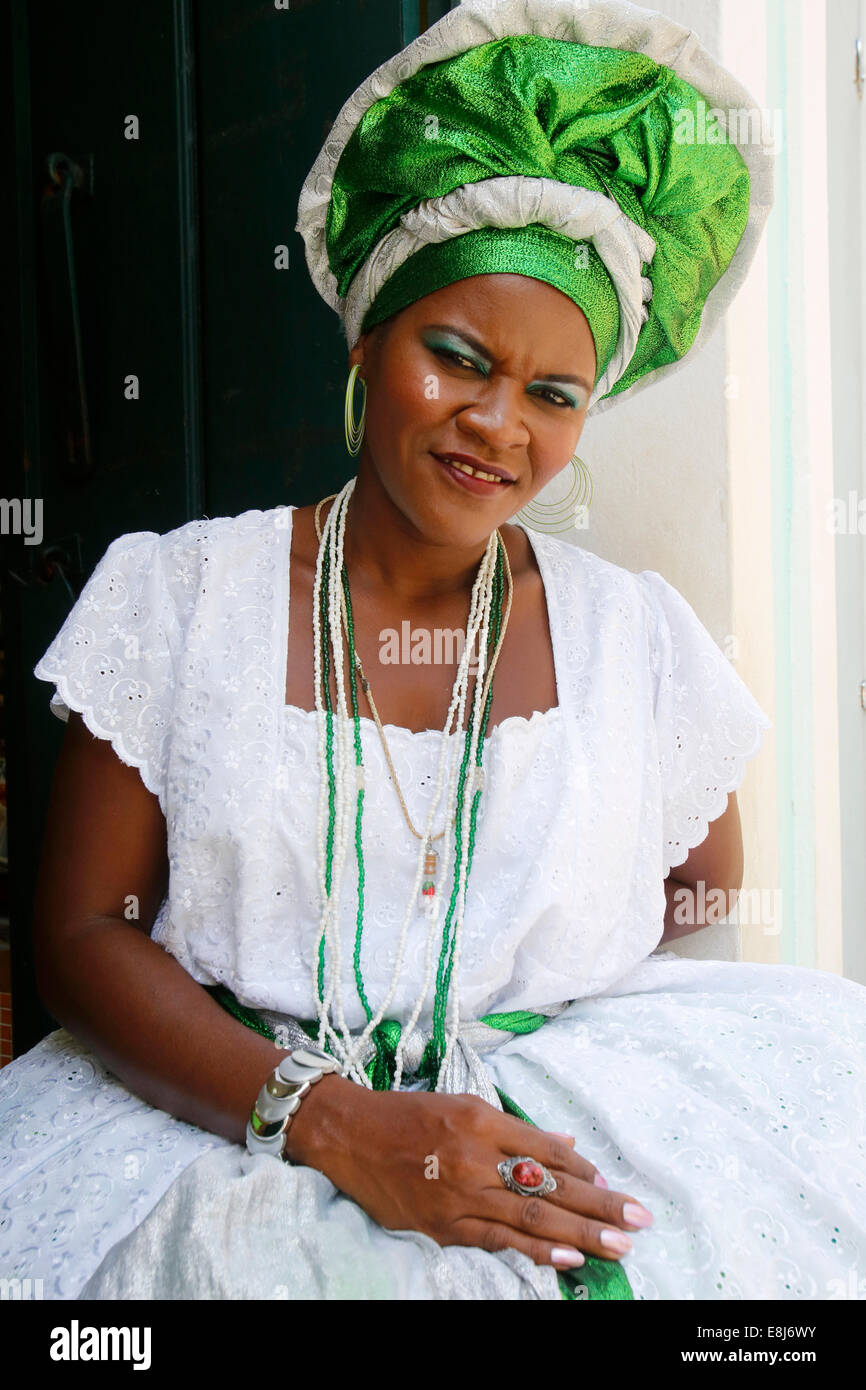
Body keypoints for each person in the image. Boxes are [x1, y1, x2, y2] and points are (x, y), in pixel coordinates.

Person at [2, 0, 864, 1301]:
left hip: (547, 1104)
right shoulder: (178, 599)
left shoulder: (632, 639)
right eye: (453, 356)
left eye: (552, 393)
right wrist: (338, 1115)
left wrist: (514, 1022)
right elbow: (79, 929)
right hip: (226, 1112)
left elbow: (695, 893)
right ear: (366, 341)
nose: (493, 424)